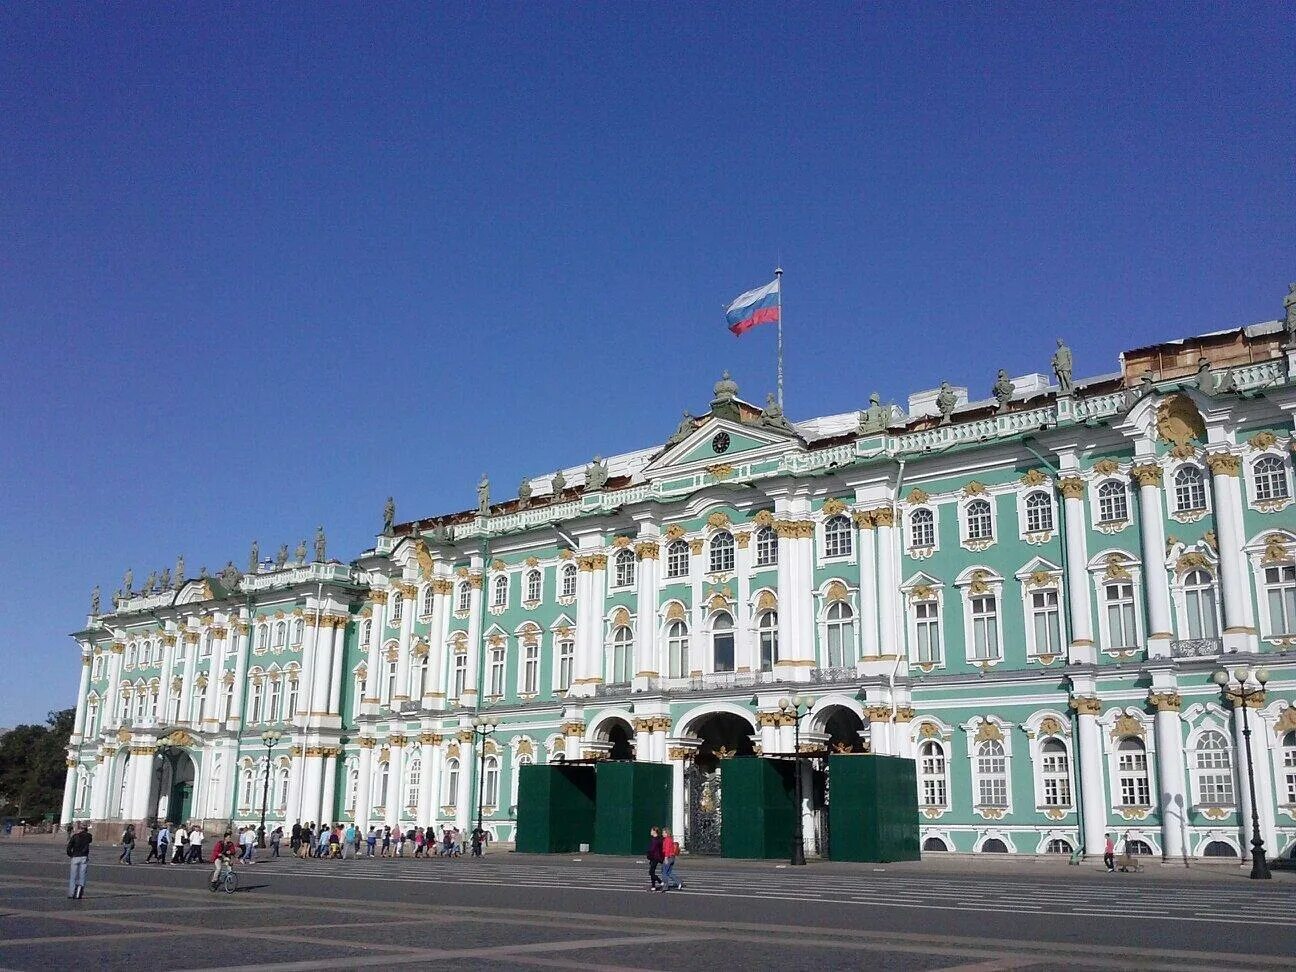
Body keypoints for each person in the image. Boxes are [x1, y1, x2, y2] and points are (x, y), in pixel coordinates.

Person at [67, 823, 93, 898]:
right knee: (82, 876)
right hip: (84, 857)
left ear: (80, 829)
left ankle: (71, 893)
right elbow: (90, 839)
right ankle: (79, 894)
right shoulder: (88, 836)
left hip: (75, 857)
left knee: (73, 877)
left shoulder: (75, 836)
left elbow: (69, 847)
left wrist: (71, 855)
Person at [645, 827, 664, 892]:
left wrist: (648, 854)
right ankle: (653, 886)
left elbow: (652, 850)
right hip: (655, 857)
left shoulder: (655, 840)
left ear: (654, 831)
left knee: (651, 872)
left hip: (655, 858)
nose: (650, 832)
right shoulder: (657, 839)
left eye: (651, 830)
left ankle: (660, 882)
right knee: (652, 872)